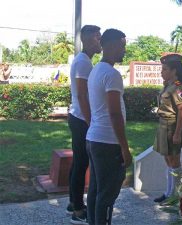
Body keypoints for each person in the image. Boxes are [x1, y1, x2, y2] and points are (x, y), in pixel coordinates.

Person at [86, 28, 132, 225]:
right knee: (107, 195)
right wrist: (124, 147)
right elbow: (114, 113)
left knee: (96, 191)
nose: (124, 50)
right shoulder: (112, 74)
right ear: (112, 46)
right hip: (107, 143)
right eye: (122, 46)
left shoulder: (96, 70)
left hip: (94, 139)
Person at [67, 25, 102, 225]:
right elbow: (81, 94)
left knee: (78, 163)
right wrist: (91, 122)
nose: (101, 42)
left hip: (78, 117)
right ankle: (79, 211)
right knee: (81, 164)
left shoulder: (84, 61)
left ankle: (74, 202)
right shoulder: (83, 63)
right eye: (98, 38)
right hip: (82, 119)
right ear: (89, 40)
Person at [153, 53, 182, 204]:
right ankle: (169, 193)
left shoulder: (177, 87)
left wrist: (177, 133)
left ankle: (176, 195)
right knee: (168, 160)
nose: (162, 72)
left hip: (172, 126)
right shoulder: (168, 86)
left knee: (174, 161)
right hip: (163, 125)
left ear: (174, 71)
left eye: (165, 69)